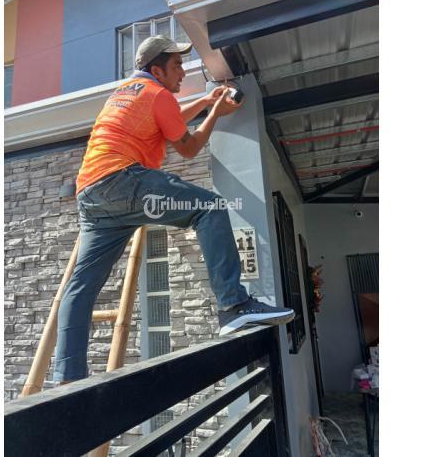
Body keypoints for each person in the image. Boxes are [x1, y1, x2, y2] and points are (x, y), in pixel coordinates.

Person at [53, 35, 294, 383]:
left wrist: (205, 101)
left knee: (82, 285)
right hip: (122, 181)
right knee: (209, 208)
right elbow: (189, 148)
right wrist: (215, 112)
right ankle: (234, 305)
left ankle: (67, 374)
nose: (183, 71)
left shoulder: (127, 93)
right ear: (157, 70)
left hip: (91, 193)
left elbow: (169, 120)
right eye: (177, 65)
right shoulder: (157, 95)